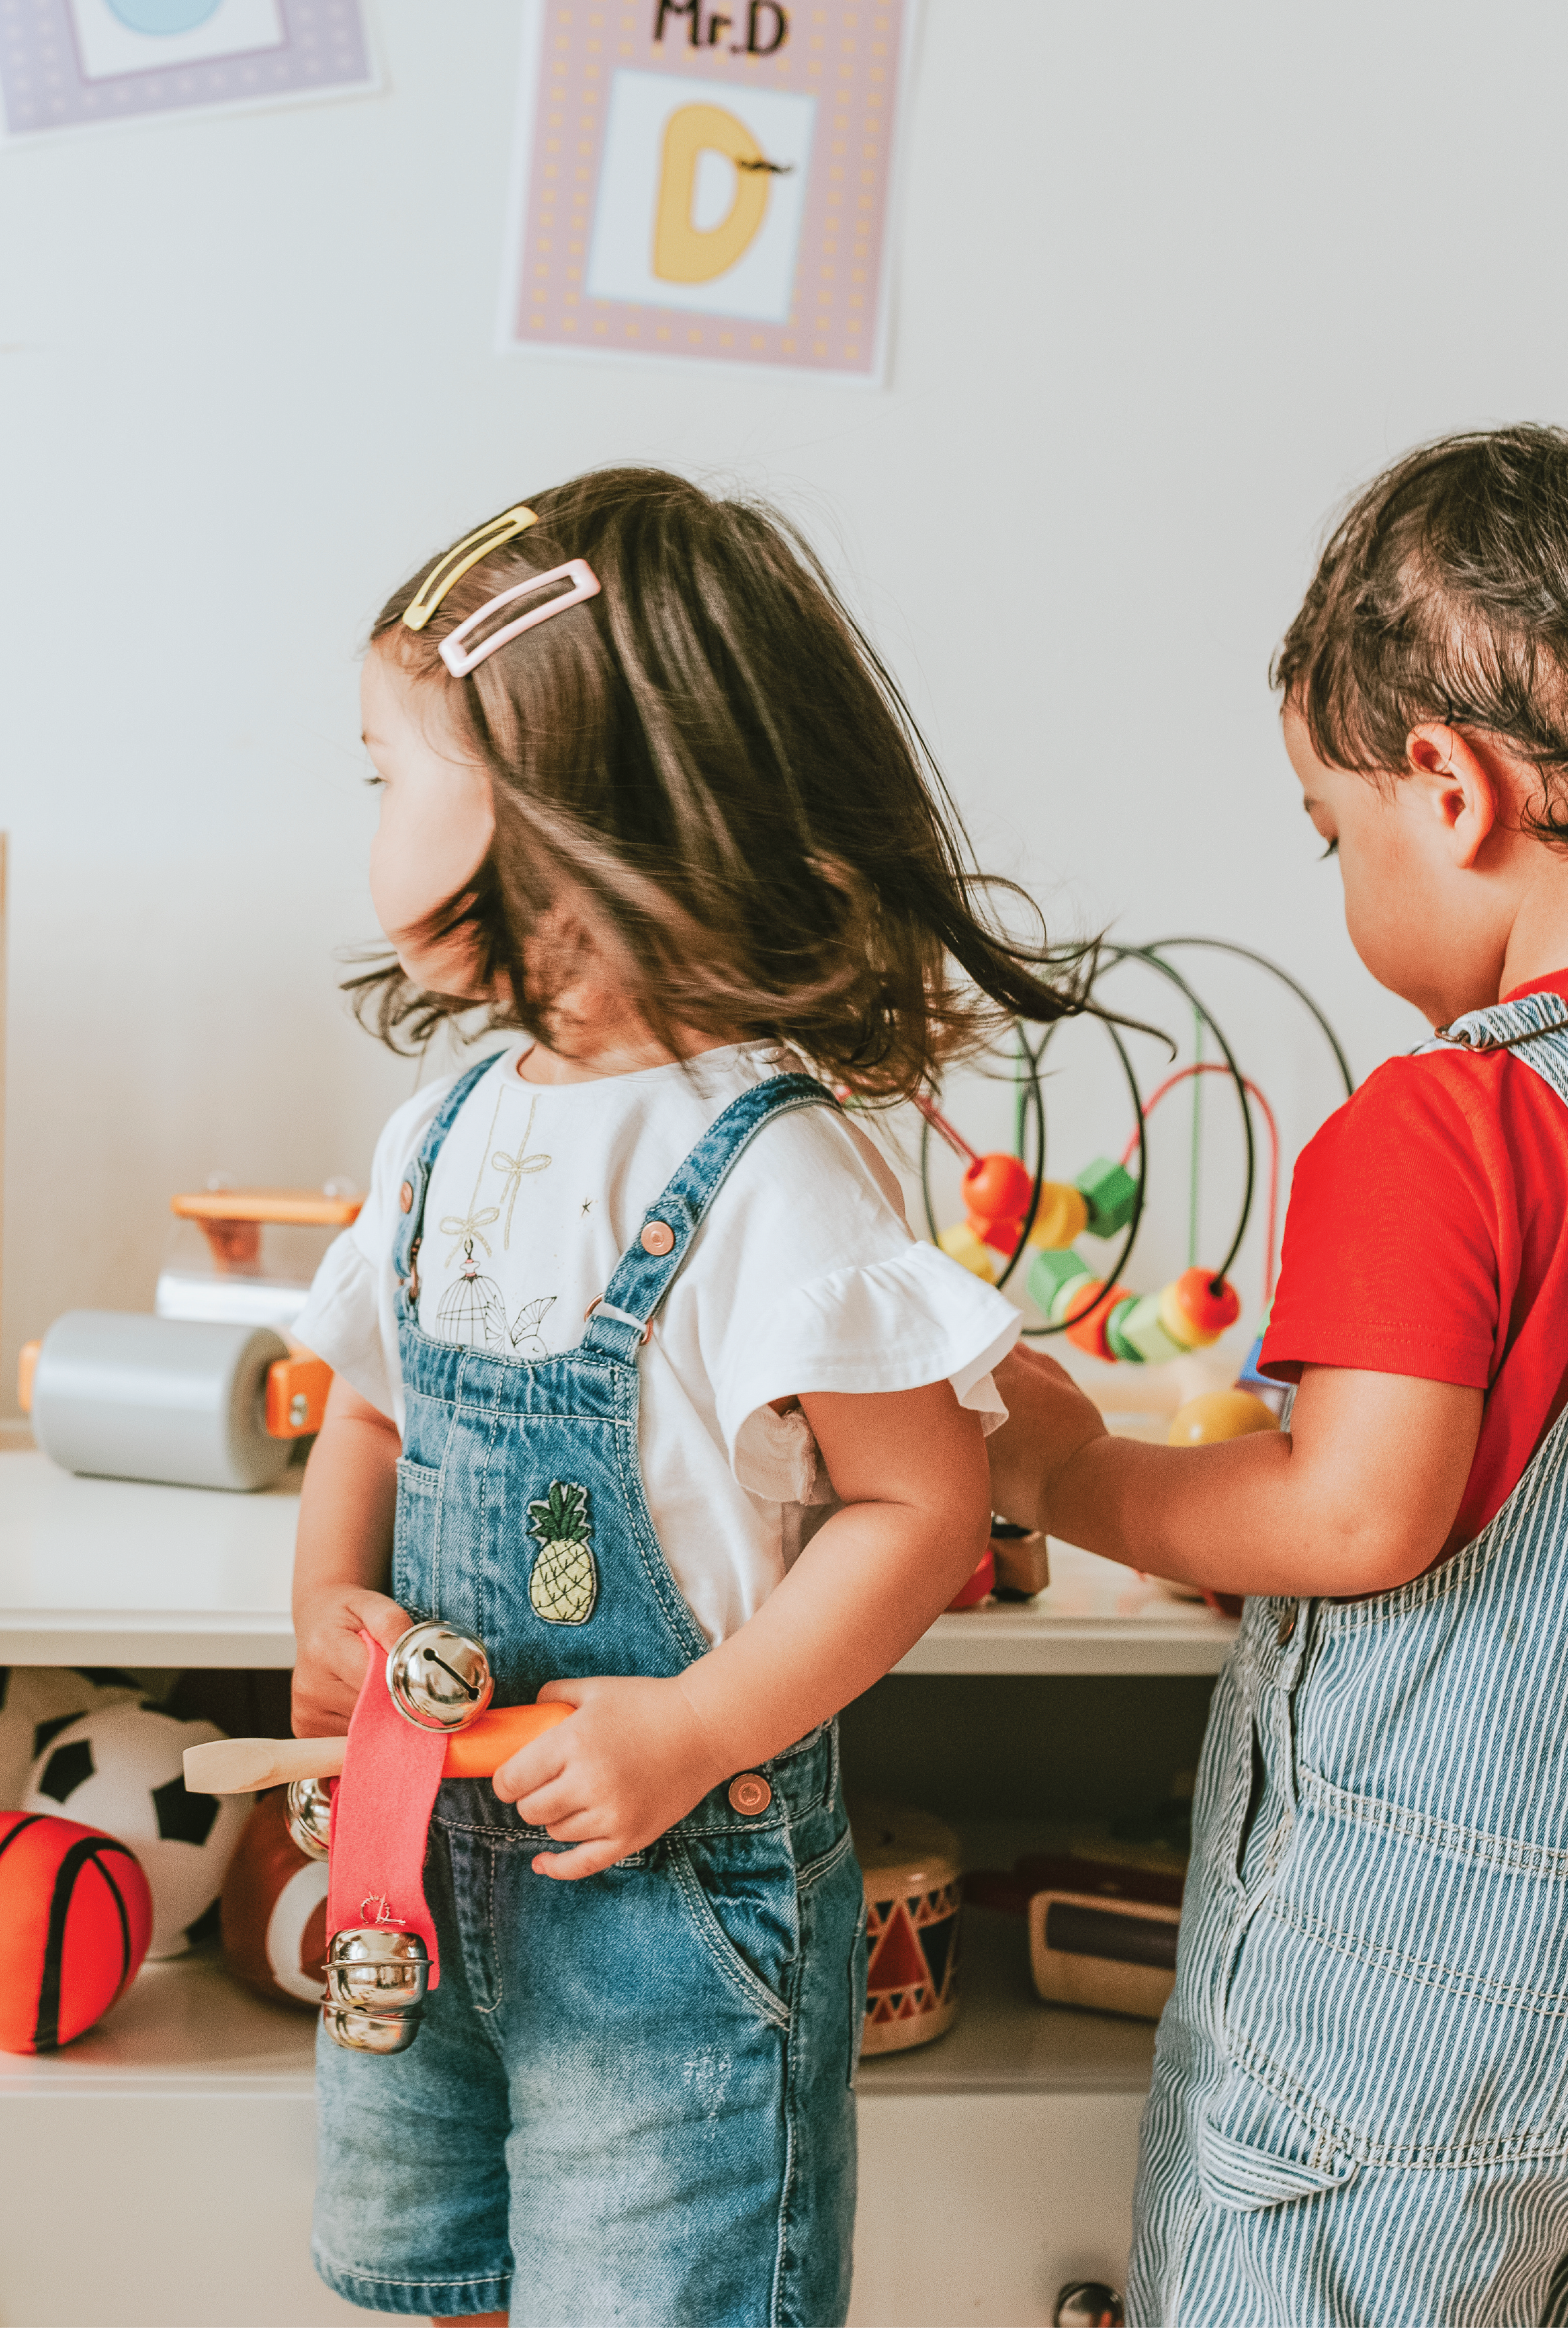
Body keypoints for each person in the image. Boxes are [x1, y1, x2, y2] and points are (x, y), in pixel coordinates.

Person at [988, 427, 1568, 2327]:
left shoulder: (1446, 1121)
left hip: (1447, 1959)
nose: (1339, 876)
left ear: (1449, 788)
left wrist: (1067, 1475)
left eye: (1331, 832)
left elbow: (1349, 1516)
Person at [284, 468, 1085, 2327]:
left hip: (669, 1906)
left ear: (554, 809)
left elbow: (922, 1509)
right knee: (437, 2283)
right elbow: (370, 1414)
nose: (370, 819)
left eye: (386, 773)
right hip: (421, 1866)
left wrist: (698, 1729)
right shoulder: (438, 1133)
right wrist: (325, 1601)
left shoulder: (768, 1167)